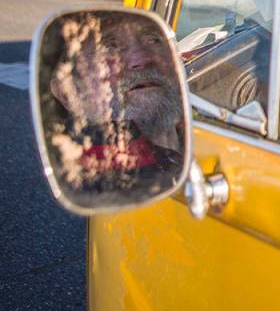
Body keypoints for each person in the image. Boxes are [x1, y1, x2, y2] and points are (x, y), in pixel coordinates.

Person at [47, 11, 184, 193]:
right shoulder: (98, 180)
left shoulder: (203, 121)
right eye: (109, 46)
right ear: (68, 93)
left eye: (153, 40)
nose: (141, 59)